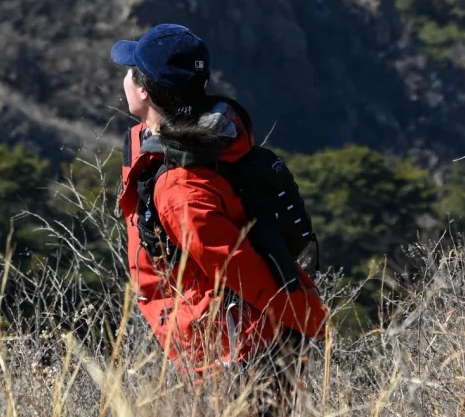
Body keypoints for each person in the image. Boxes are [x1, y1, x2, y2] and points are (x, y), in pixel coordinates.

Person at [111, 22, 326, 395]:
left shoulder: (180, 184)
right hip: (232, 340)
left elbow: (237, 268)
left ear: (144, 91)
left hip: (233, 353)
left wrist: (309, 319)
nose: (125, 81)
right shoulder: (209, 140)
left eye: (131, 74)